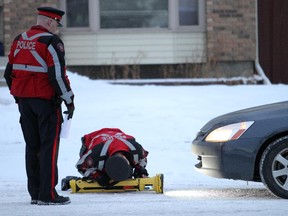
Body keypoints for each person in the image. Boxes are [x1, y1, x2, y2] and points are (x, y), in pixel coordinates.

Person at [4, 7, 74, 205]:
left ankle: (35, 194)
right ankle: (48, 195)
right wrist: (69, 99)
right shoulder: (51, 42)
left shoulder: (19, 39)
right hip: (46, 103)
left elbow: (8, 73)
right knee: (48, 147)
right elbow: (57, 76)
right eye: (56, 25)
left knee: (32, 146)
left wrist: (19, 96)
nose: (57, 29)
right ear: (50, 22)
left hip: (25, 103)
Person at [74, 128, 149, 186]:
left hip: (117, 133)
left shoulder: (136, 149)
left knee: (128, 174)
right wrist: (97, 176)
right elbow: (80, 166)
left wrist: (140, 169)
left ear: (127, 160)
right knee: (92, 166)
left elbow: (143, 159)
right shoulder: (95, 155)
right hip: (92, 139)